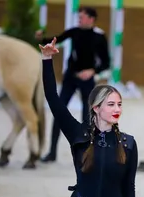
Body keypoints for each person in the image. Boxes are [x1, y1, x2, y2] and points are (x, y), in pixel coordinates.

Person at [39, 37, 138, 197]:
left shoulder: (129, 144)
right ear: (96, 108)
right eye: (111, 104)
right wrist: (46, 60)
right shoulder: (78, 134)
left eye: (119, 104)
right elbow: (53, 98)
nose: (117, 109)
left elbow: (129, 187)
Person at [36, 6, 110, 163]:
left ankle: (86, 154)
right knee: (59, 111)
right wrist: (40, 39)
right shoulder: (74, 31)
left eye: (82, 17)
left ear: (91, 19)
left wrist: (92, 71)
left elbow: (106, 62)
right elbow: (55, 40)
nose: (79, 19)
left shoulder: (99, 36)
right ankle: (52, 152)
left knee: (87, 117)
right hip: (71, 76)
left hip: (87, 79)